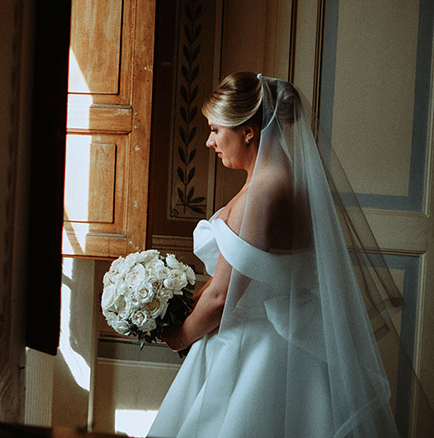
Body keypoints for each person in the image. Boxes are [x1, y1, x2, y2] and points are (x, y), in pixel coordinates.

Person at [149, 72, 430, 437]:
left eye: (216, 130)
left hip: (256, 353)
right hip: (278, 342)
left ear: (248, 131)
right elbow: (234, 275)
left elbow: (223, 296)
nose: (208, 142)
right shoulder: (279, 179)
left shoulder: (266, 192)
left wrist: (180, 336)